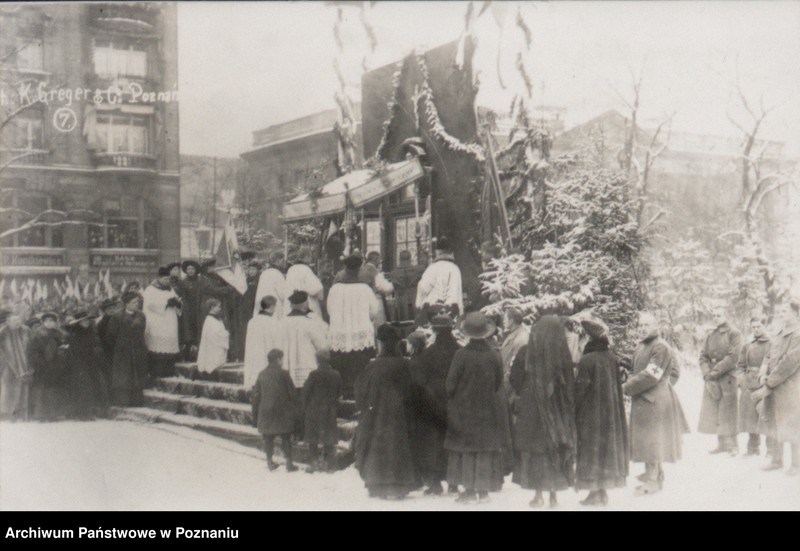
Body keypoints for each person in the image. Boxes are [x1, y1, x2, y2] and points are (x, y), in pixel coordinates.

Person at [511, 315, 577, 508]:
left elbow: (515, 379)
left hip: (533, 411)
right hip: (557, 414)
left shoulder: (527, 352)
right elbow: (570, 386)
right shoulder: (563, 354)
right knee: (554, 449)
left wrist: (527, 391)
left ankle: (538, 494)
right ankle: (554, 497)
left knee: (536, 451)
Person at [622, 312, 689, 496]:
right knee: (646, 440)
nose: (642, 328)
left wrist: (626, 387)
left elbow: (651, 374)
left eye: (646, 325)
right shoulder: (642, 346)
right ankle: (654, 474)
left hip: (653, 402)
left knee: (652, 441)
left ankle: (652, 481)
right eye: (640, 325)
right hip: (644, 400)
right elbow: (638, 370)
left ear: (655, 326)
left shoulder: (660, 347)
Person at [354, 324, 421, 499]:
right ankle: (400, 485)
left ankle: (378, 484)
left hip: (376, 415)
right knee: (399, 447)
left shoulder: (373, 366)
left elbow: (360, 392)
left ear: (381, 343)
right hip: (401, 416)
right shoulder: (404, 364)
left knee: (378, 447)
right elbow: (414, 390)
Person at [445, 312, 506, 504]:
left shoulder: (461, 355)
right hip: (488, 409)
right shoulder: (494, 355)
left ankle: (469, 491)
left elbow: (450, 386)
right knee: (485, 449)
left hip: (465, 409)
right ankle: (483, 491)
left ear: (468, 333)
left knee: (468, 449)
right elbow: (498, 383)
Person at [574, 318, 629, 506]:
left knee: (591, 450)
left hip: (591, 416)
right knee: (605, 451)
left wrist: (574, 408)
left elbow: (580, 392)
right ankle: (602, 491)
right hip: (610, 415)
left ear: (588, 339)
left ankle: (594, 492)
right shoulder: (611, 358)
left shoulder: (587, 360)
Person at [409, 315, 461, 495]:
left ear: (436, 330)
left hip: (433, 404)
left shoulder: (429, 353)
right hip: (454, 402)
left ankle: (435, 483)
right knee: (454, 441)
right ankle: (454, 482)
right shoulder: (459, 350)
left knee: (433, 442)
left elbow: (420, 381)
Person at [751, 300, 800, 475]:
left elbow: (789, 363)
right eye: (780, 311)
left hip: (789, 388)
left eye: (785, 311)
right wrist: (763, 373)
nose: (781, 314)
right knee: (773, 421)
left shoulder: (797, 334)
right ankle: (777, 460)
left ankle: (795, 464)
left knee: (792, 424)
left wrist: (769, 382)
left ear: (795, 313)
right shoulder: (779, 332)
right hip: (773, 385)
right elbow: (769, 356)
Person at [327, 250, 379, 399]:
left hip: (340, 337)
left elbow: (330, 310)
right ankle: (360, 398)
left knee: (343, 370)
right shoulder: (364, 289)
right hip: (360, 336)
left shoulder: (334, 289)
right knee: (360, 370)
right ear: (358, 271)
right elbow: (374, 311)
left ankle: (344, 397)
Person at [698, 306, 743, 456]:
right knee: (716, 409)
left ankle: (733, 446)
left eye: (719, 315)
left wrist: (714, 372)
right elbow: (702, 356)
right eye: (714, 315)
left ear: (726, 315)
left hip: (727, 376)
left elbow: (733, 357)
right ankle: (722, 444)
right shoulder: (710, 334)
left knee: (728, 410)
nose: (716, 317)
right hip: (712, 376)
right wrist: (706, 374)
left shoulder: (734, 333)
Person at [251, 348, 300, 472]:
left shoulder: (261, 374)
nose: (282, 361)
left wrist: (255, 416)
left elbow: (256, 396)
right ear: (278, 360)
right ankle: (289, 463)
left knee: (268, 438)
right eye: (281, 359)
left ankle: (269, 462)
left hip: (266, 411)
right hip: (282, 411)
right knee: (286, 438)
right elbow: (292, 395)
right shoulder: (284, 374)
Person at [302, 348, 342, 473]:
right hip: (330, 410)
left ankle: (314, 463)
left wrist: (306, 407)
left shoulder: (313, 374)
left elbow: (305, 392)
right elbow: (339, 394)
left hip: (314, 410)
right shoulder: (336, 374)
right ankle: (328, 465)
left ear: (317, 360)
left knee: (313, 438)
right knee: (329, 438)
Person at [736, 315, 771, 456]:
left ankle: (771, 450)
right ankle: (752, 448)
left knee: (766, 414)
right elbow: (740, 365)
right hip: (748, 383)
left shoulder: (771, 343)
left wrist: (767, 383)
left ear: (764, 326)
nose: (756, 329)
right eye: (754, 327)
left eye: (759, 326)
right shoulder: (747, 344)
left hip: (764, 383)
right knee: (750, 416)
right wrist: (742, 380)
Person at [106, 292, 148, 406]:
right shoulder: (117, 316)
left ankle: (136, 401)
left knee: (136, 375)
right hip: (122, 352)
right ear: (127, 304)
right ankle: (123, 401)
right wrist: (120, 346)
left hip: (137, 350)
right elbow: (111, 335)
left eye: (137, 302)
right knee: (123, 377)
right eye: (134, 302)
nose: (137, 304)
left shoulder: (141, 316)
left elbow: (142, 331)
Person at [64, 311, 108, 419]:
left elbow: (96, 344)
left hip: (91, 363)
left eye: (87, 320)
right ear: (78, 323)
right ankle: (81, 413)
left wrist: (96, 351)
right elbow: (75, 350)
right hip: (79, 365)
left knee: (92, 387)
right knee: (82, 388)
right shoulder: (74, 334)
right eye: (84, 321)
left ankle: (89, 411)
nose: (86, 322)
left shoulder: (90, 332)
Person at [283, 290, 329, 390]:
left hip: (286, 369)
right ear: (305, 305)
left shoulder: (281, 322)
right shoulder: (310, 323)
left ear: (291, 305)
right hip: (306, 367)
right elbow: (322, 346)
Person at [28, 311, 68, 421]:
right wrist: (39, 362)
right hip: (42, 366)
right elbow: (32, 351)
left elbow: (63, 347)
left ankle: (54, 414)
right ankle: (41, 414)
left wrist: (62, 351)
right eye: (47, 321)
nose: (50, 323)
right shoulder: (38, 334)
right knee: (43, 390)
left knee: (54, 389)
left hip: (55, 365)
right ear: (43, 322)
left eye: (52, 321)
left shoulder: (58, 334)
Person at [142, 266, 182, 379]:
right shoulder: (151, 289)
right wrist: (166, 303)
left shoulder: (170, 289)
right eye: (165, 279)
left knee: (169, 348)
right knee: (158, 349)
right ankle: (157, 371)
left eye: (168, 279)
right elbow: (150, 304)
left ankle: (168, 369)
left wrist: (178, 303)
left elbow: (177, 300)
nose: (167, 281)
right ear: (159, 278)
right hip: (157, 323)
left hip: (170, 322)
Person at [416, 236, 463, 323]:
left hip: (431, 313)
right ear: (451, 253)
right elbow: (455, 294)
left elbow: (423, 288)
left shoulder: (431, 268)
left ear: (438, 252)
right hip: (449, 314)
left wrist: (420, 306)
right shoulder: (454, 268)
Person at [244, 295, 286, 389]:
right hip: (268, 360)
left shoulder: (252, 322)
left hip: (254, 360)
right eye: (275, 306)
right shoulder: (274, 323)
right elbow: (278, 344)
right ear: (271, 307)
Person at [0, 312, 33, 421]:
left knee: (24, 389)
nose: (17, 322)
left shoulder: (26, 330)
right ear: (8, 322)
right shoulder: (3, 332)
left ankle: (22, 414)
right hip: (8, 365)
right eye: (14, 321)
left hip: (24, 364)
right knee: (8, 389)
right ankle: (7, 414)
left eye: (18, 320)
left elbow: (32, 346)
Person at [231, 259, 261, 362]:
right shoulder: (245, 281)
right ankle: (243, 354)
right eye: (250, 269)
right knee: (244, 332)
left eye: (254, 269)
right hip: (245, 309)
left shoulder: (259, 281)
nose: (251, 271)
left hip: (255, 308)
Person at [500, 307, 529, 408]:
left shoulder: (521, 338)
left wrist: (505, 386)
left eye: (505, 318)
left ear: (511, 320)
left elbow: (516, 366)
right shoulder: (514, 333)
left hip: (510, 385)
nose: (503, 321)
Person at [284, 247, 325, 319]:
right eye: (311, 256)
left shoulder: (291, 269)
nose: (311, 258)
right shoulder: (305, 269)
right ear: (306, 257)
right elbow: (317, 288)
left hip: (292, 305)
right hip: (306, 304)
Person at [196, 298, 230, 377]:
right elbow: (214, 335)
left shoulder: (217, 319)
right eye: (218, 306)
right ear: (212, 307)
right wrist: (225, 334)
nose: (220, 308)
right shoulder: (210, 320)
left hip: (216, 344)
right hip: (213, 346)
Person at [388, 249, 425, 322]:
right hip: (415, 300)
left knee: (403, 324)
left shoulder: (393, 273)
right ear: (410, 258)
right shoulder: (419, 270)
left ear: (400, 259)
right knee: (416, 323)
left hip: (401, 302)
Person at [362, 251, 394, 327]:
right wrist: (393, 285)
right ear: (375, 259)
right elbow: (385, 288)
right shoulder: (374, 271)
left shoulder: (363, 269)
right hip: (376, 300)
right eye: (379, 260)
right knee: (378, 326)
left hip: (364, 302)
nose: (380, 262)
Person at [254, 251, 287, 319]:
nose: (284, 263)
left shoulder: (264, 273)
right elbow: (283, 294)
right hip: (273, 309)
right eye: (283, 260)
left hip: (262, 307)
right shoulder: (277, 274)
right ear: (278, 260)